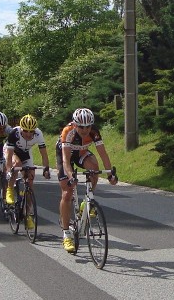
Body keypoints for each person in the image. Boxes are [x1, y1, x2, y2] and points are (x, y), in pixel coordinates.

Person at [56, 107, 117, 253]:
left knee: (94, 169)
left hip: (82, 153)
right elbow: (65, 160)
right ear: (75, 124)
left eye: (88, 126)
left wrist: (110, 174)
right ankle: (66, 234)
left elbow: (103, 154)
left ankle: (86, 202)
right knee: (67, 192)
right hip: (67, 155)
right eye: (81, 127)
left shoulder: (94, 132)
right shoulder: (68, 131)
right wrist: (71, 177)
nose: (85, 130)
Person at [4, 114, 51, 228]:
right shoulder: (14, 133)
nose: (29, 134)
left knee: (30, 179)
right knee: (17, 164)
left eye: (31, 131)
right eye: (26, 131)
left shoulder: (38, 134)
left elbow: (44, 154)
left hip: (25, 153)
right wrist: (9, 171)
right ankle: (10, 190)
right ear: (21, 129)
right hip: (12, 151)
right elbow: (9, 156)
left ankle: (28, 214)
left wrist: (46, 169)